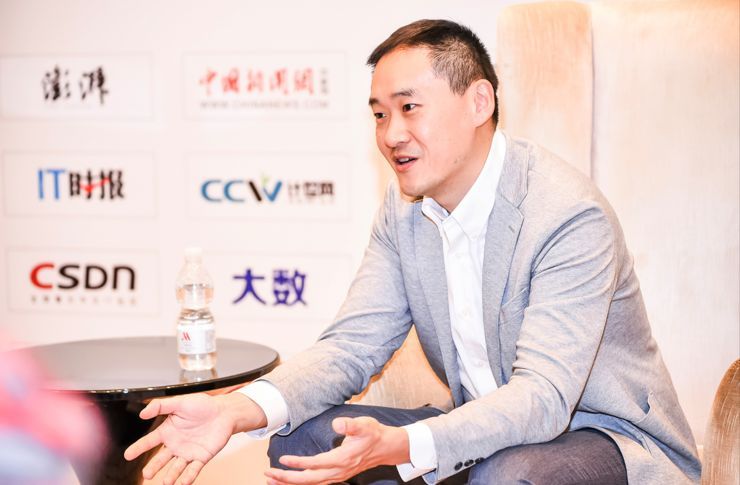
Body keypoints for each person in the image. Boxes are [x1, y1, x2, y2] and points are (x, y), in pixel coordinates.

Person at [125, 19, 702, 485]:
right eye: (379, 114)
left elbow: (544, 399)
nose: (391, 134)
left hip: (602, 437)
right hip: (480, 429)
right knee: (303, 441)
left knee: (509, 474)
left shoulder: (566, 214)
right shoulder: (403, 211)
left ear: (479, 102)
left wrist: (405, 444)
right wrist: (235, 410)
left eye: (409, 107)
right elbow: (351, 346)